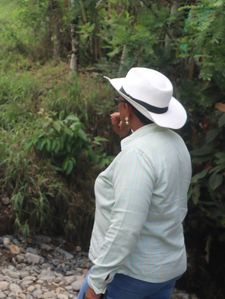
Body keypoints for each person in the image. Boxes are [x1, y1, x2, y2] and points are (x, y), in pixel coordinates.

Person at [78, 67, 191, 299]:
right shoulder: (175, 143)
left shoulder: (138, 155)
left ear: (126, 107)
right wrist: (128, 132)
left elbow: (125, 227)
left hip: (130, 275)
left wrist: (96, 283)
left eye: (119, 101)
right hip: (163, 270)